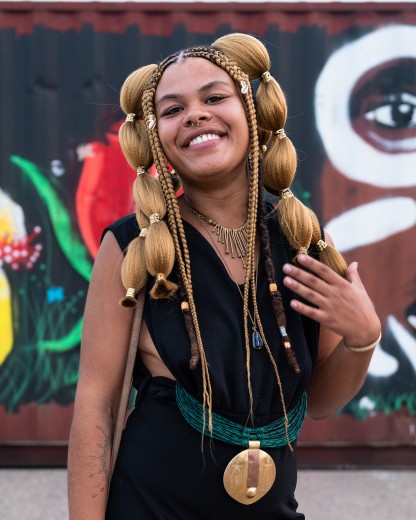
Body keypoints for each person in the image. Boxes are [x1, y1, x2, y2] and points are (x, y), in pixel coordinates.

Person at [67, 33, 381, 519]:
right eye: (172, 110)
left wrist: (363, 339)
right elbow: (97, 409)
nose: (195, 114)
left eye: (214, 98)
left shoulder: (302, 240)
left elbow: (319, 402)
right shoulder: (133, 246)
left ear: (252, 115)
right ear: (156, 138)